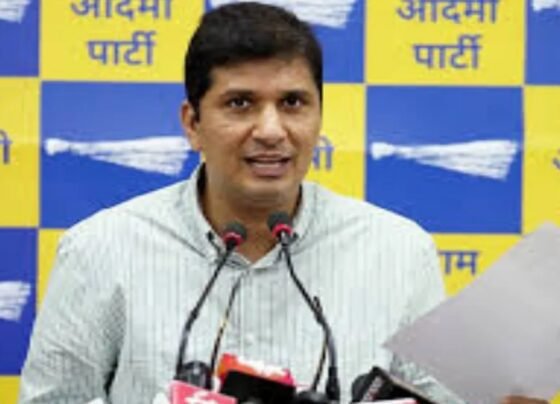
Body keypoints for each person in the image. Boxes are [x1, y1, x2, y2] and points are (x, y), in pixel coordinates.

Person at [18, 2, 550, 404]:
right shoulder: (100, 249)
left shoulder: (398, 250)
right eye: (240, 103)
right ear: (192, 123)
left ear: (318, 116)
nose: (271, 130)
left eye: (293, 103)